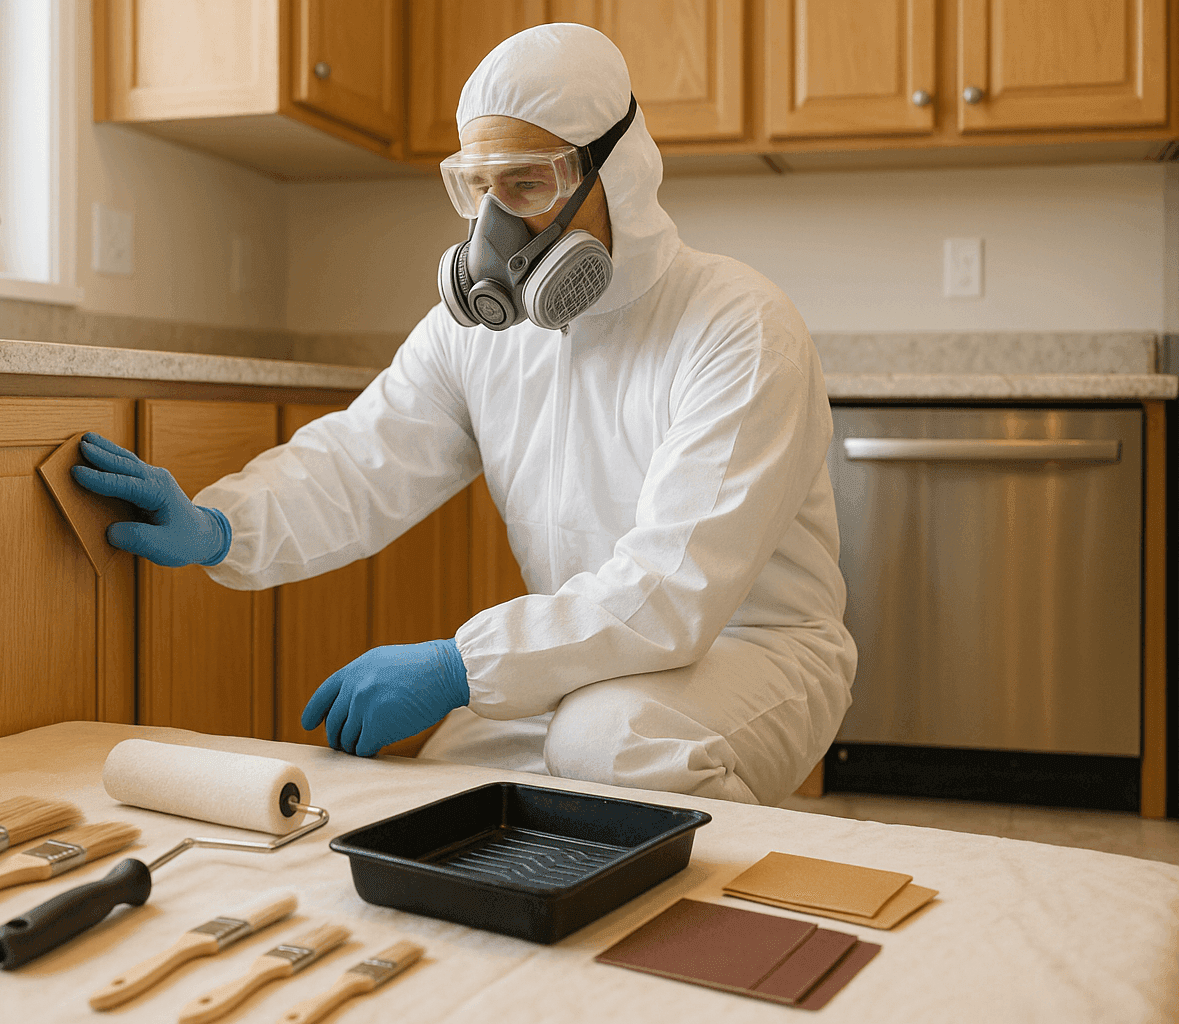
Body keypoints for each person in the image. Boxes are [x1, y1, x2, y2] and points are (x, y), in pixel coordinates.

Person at [73, 23, 857, 805]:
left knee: (610, 743)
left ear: (613, 172)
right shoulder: (480, 337)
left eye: (526, 184)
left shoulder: (738, 326)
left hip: (756, 649)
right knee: (445, 786)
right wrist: (222, 526)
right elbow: (361, 459)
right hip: (580, 659)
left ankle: (717, 915)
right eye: (479, 187)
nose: (493, 227)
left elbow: (673, 590)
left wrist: (460, 667)